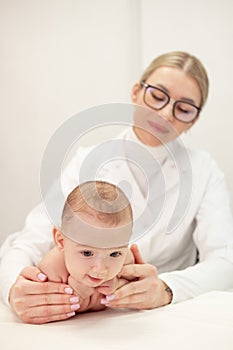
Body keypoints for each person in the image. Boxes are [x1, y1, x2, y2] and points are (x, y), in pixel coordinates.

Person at [1, 51, 233, 324]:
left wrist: (167, 289)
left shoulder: (204, 171)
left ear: (193, 119)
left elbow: (225, 261)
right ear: (136, 92)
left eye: (183, 109)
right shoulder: (87, 159)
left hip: (163, 317)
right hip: (86, 321)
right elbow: (29, 240)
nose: (165, 113)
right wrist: (14, 287)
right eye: (158, 96)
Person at [37, 180, 135, 317]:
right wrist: (74, 296)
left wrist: (117, 285)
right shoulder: (52, 270)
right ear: (61, 241)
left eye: (114, 254)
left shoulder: (126, 260)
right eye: (87, 253)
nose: (100, 268)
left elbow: (134, 285)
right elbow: (43, 307)